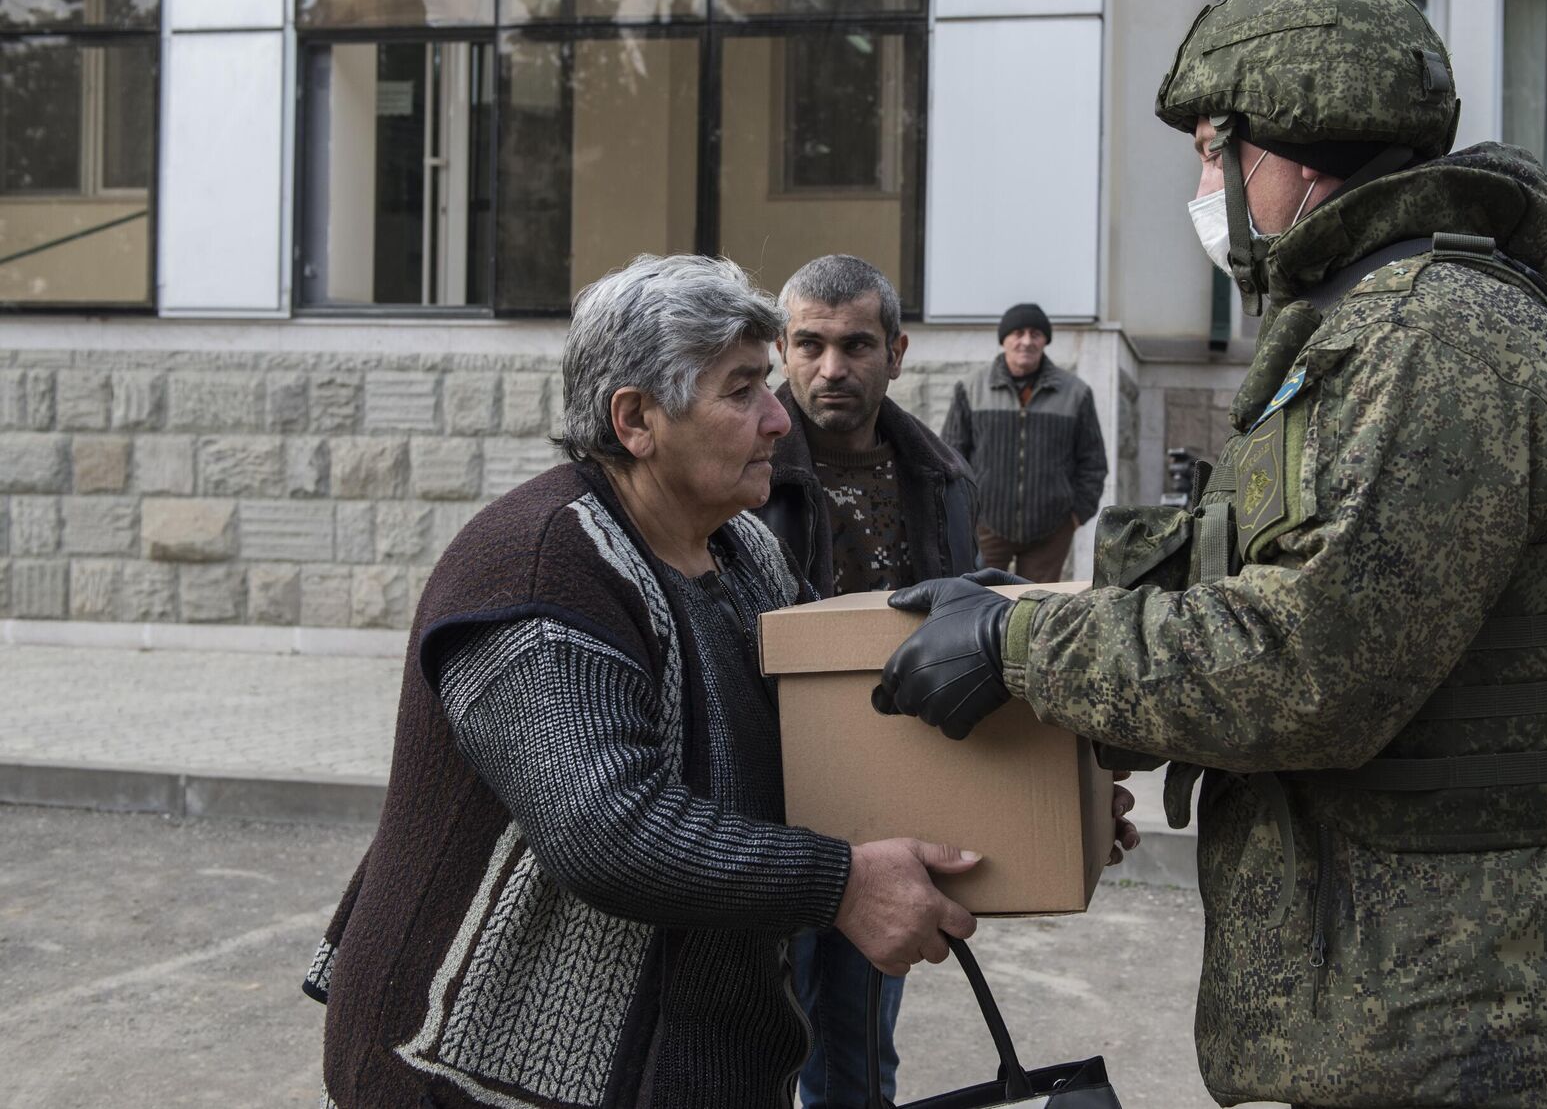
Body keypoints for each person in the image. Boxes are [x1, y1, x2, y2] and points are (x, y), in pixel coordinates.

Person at [880, 0, 1547, 1108]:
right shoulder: (1364, 327)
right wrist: (1036, 607)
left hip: (1456, 1025)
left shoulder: (1430, 337)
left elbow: (1314, 663)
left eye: (1214, 151)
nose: (1206, 188)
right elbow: (1262, 580)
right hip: (1396, 1013)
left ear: (1293, 148)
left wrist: (1022, 653)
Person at [305, 254, 980, 1109]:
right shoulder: (542, 565)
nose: (779, 418)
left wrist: (1024, 777)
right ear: (636, 420)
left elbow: (849, 713)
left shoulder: (743, 551)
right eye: (742, 391)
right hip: (472, 1074)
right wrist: (839, 883)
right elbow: (609, 829)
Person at [752, 254, 980, 1106]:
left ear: (898, 349)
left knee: (860, 1057)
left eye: (855, 344)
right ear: (782, 347)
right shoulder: (749, 474)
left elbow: (969, 635)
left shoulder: (943, 479)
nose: (830, 368)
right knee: (759, 1048)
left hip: (891, 810)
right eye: (808, 345)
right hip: (771, 811)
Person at [941, 303, 1108, 582]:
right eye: (1018, 333)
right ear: (1004, 339)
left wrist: (1077, 515)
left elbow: (1093, 460)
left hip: (1051, 529)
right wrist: (964, 514)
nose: (1027, 341)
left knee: (1035, 610)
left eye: (1035, 334)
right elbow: (950, 456)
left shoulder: (1076, 393)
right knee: (978, 601)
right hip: (984, 525)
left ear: (1045, 340)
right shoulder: (971, 389)